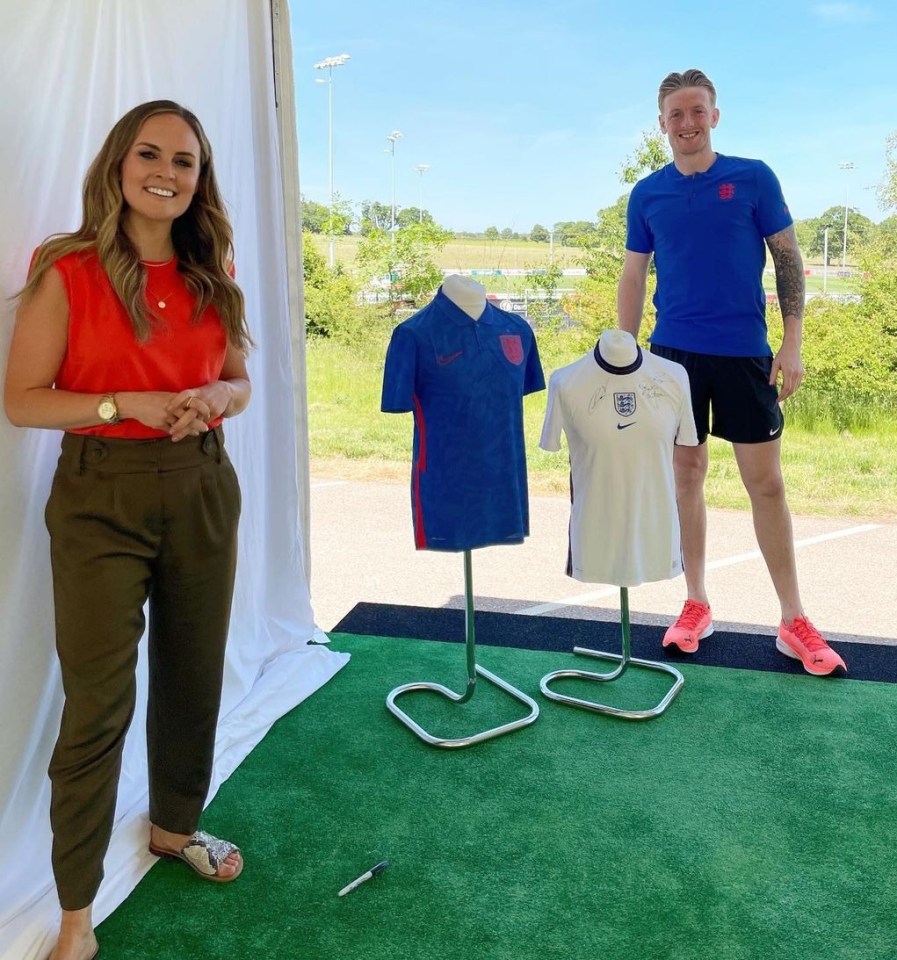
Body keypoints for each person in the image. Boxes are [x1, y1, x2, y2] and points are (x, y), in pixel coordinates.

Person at [3, 100, 253, 960]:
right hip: (98, 495)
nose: (168, 172)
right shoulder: (66, 268)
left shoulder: (211, 268)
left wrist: (220, 396)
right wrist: (126, 405)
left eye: (185, 161)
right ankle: (76, 910)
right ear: (118, 164)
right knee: (97, 702)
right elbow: (21, 399)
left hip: (203, 486)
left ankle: (175, 827)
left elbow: (239, 380)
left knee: (194, 673)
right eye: (150, 154)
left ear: (199, 179)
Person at [616, 68, 846, 676]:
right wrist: (625, 350)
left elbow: (788, 259)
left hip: (745, 353)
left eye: (697, 111)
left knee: (764, 484)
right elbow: (634, 274)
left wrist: (791, 344)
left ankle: (793, 618)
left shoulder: (753, 177)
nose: (687, 123)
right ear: (661, 124)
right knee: (685, 475)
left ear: (714, 115)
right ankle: (695, 603)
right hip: (672, 358)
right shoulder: (648, 194)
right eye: (675, 115)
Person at [381, 276, 544, 552]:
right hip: (445, 486)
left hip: (505, 484)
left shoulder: (518, 330)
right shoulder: (413, 334)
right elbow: (398, 400)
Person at [540, 329, 698, 587]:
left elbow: (688, 441)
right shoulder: (565, 381)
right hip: (595, 539)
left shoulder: (675, 376)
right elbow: (551, 445)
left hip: (656, 535)